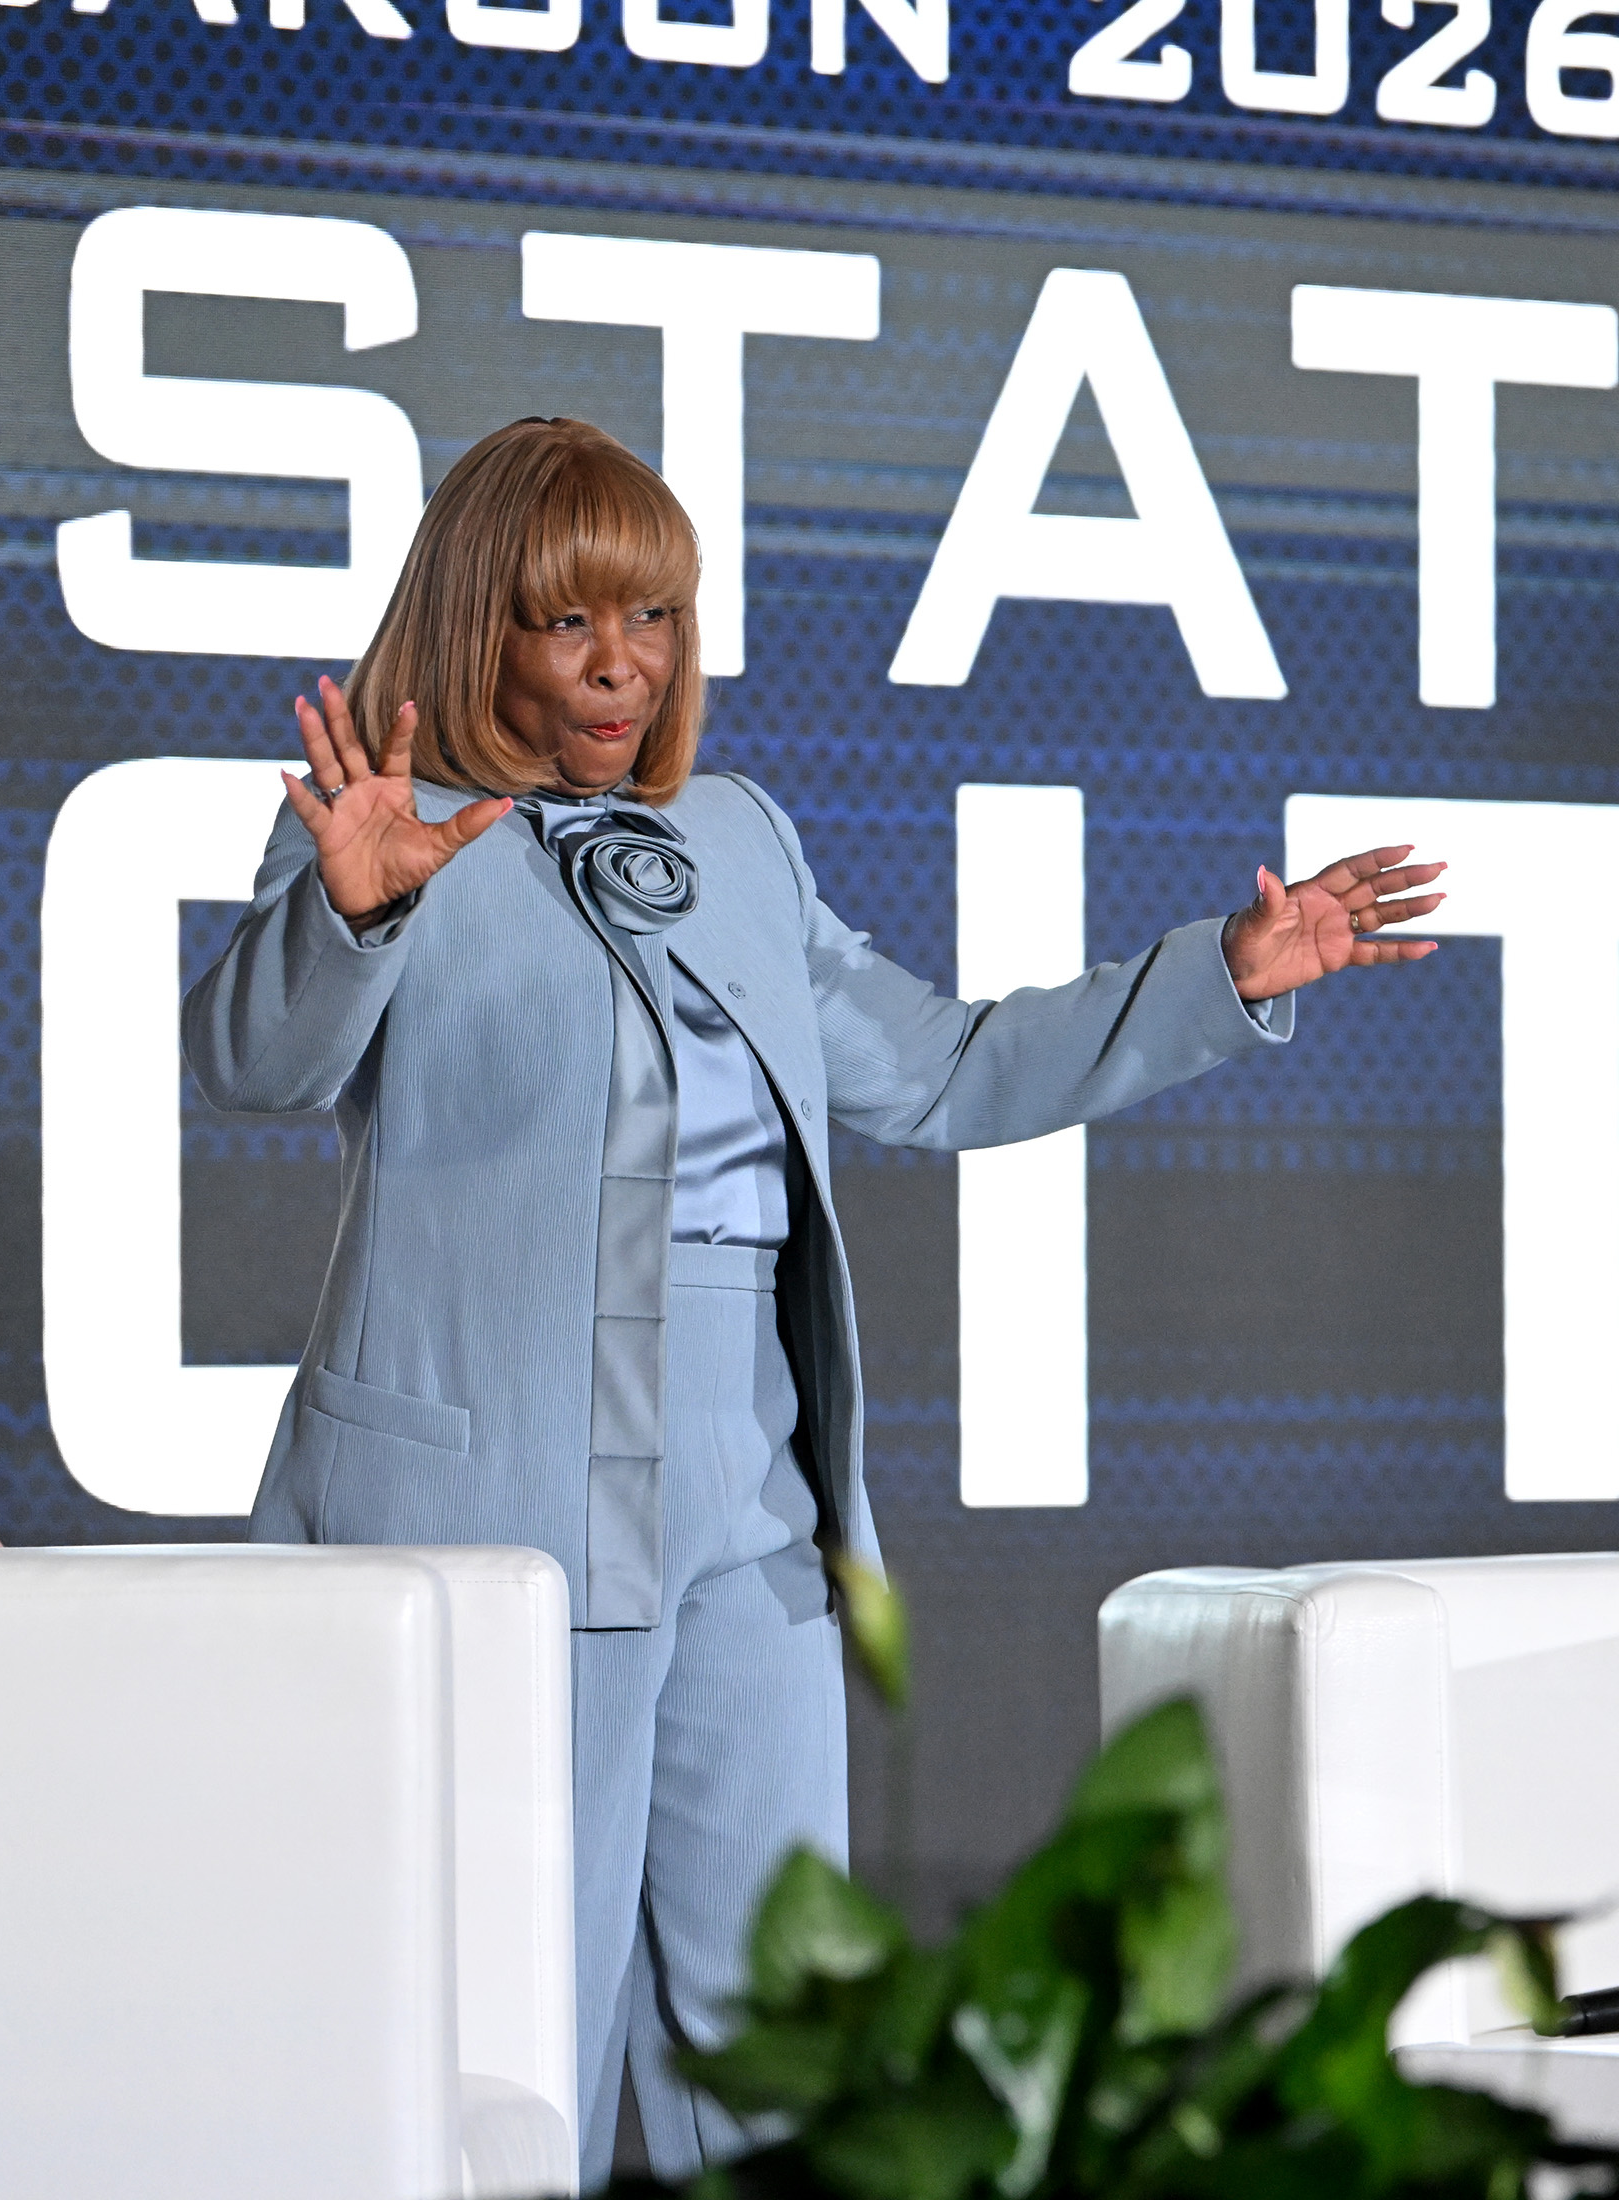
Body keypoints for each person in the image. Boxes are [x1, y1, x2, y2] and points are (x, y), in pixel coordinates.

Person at [182, 415, 1438, 2183]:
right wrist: (354, 912)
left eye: (657, 620)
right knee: (506, 2032)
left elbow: (941, 1072)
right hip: (504, 1499)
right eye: (569, 624)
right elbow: (247, 1062)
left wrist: (1225, 975)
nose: (624, 666)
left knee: (780, 2037)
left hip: (757, 1503)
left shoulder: (742, 841)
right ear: (481, 629)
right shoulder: (395, 839)